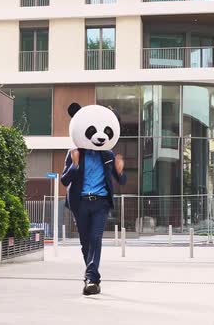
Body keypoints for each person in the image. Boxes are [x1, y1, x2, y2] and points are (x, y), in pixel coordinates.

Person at [61, 103, 127, 296]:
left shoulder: (107, 155)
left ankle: (91, 278)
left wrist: (120, 170)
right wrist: (73, 166)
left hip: (100, 203)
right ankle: (92, 277)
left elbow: (120, 180)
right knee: (85, 242)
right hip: (80, 203)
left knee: (96, 238)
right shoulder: (74, 153)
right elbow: (65, 180)